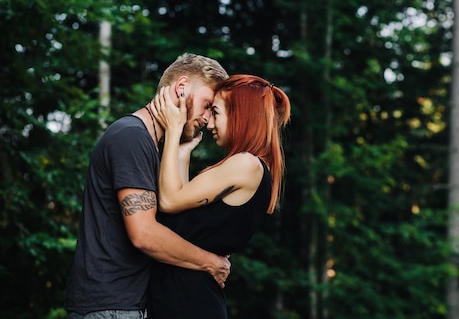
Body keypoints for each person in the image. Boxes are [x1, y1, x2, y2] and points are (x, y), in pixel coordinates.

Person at [65, 53, 232, 319]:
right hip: (110, 307)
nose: (207, 119)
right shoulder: (132, 137)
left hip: (126, 305)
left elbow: (178, 220)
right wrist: (210, 263)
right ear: (181, 88)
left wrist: (180, 152)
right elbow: (144, 233)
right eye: (207, 105)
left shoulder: (151, 146)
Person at [147, 74, 291, 319]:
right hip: (187, 297)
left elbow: (169, 201)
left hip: (189, 303)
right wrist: (182, 153)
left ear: (239, 115)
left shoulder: (246, 165)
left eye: (216, 112)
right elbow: (181, 206)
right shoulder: (252, 168)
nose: (209, 123)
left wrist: (172, 130)